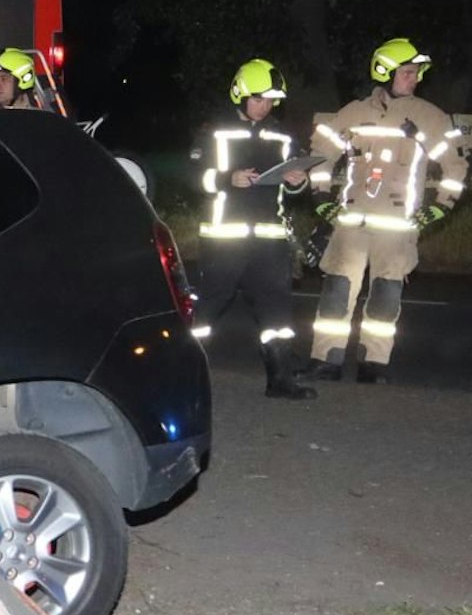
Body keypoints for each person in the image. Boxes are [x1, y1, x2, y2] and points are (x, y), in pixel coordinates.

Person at [306, 38, 466, 383]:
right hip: (350, 224)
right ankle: (325, 360)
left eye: (416, 73)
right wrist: (320, 195)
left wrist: (441, 207)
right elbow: (320, 153)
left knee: (385, 298)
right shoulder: (354, 113)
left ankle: (372, 365)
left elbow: (455, 167)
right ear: (386, 73)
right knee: (335, 293)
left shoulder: (429, 117)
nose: (415, 79)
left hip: (397, 229)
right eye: (408, 72)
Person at [189, 58, 317, 399]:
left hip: (269, 239)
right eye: (260, 99)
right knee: (206, 312)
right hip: (224, 237)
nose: (266, 106)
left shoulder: (282, 135)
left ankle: (280, 380)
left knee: (278, 313)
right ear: (240, 95)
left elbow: (295, 190)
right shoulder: (213, 131)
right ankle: (184, 375)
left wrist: (297, 181)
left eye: (272, 100)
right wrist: (227, 179)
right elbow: (193, 177)